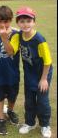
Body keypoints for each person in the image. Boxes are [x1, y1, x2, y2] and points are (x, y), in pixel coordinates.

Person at [16, 7, 53, 138]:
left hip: (43, 73)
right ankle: (29, 123)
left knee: (42, 101)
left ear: (34, 22)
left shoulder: (39, 40)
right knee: (29, 100)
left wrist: (44, 79)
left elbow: (48, 62)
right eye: (22, 21)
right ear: (18, 23)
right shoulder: (19, 35)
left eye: (28, 21)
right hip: (29, 73)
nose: (25, 24)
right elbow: (12, 32)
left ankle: (45, 125)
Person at [0, 6, 20, 135]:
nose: (2, 24)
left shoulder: (16, 35)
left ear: (11, 20)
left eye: (6, 21)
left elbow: (10, 52)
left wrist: (4, 37)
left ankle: (10, 111)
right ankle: (1, 119)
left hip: (13, 73)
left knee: (13, 96)